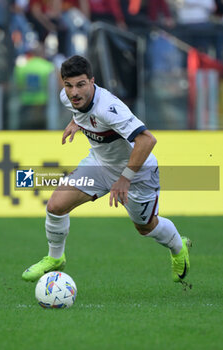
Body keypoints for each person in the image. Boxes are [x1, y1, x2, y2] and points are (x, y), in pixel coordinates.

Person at [22, 55, 192, 287]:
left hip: (138, 173)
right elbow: (81, 111)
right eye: (69, 85)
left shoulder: (109, 109)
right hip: (99, 165)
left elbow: (147, 140)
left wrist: (125, 178)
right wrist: (76, 122)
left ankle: (178, 247)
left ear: (92, 81)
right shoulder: (68, 97)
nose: (74, 92)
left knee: (146, 226)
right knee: (55, 206)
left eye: (81, 84)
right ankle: (55, 258)